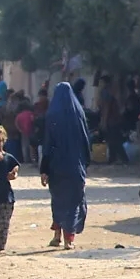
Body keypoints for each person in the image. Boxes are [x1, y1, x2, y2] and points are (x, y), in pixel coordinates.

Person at [40, 81, 91, 249]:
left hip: (56, 166)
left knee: (58, 201)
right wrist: (85, 163)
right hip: (75, 166)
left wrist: (44, 169)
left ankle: (57, 236)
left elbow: (48, 144)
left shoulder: (52, 114)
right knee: (74, 201)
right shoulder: (79, 113)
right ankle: (69, 240)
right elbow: (85, 140)